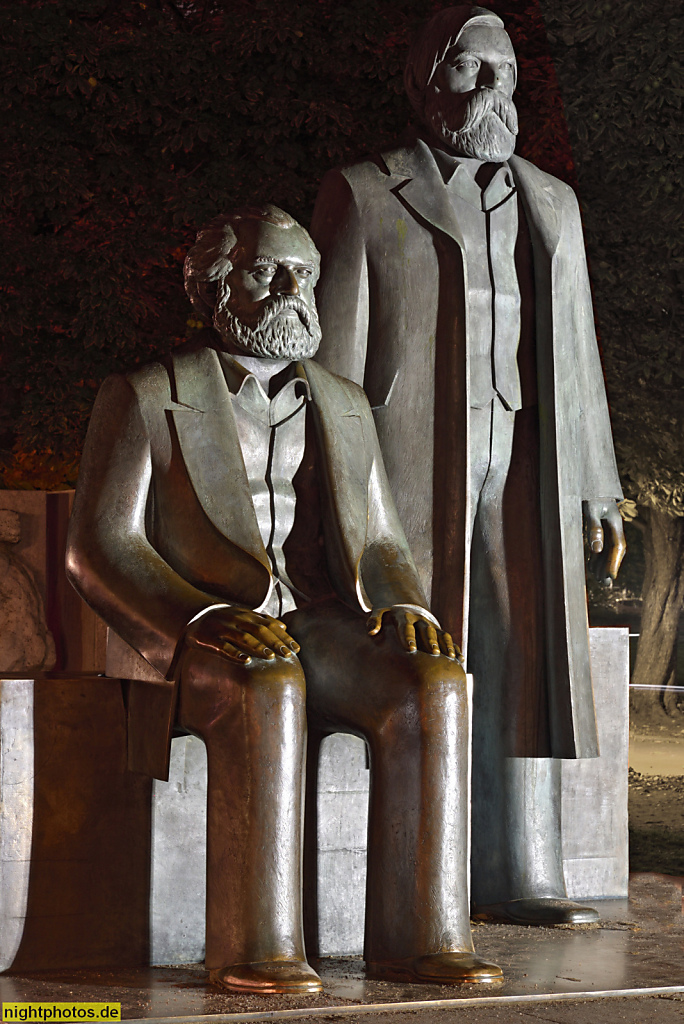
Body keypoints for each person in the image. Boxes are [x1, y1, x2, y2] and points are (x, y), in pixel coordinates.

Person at [66, 205, 502, 992]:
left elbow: (382, 542)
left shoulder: (341, 400)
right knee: (269, 685)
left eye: (304, 273)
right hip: (200, 628)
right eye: (269, 270)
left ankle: (422, 936)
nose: (292, 289)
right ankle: (256, 946)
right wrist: (200, 618)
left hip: (318, 619)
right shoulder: (145, 395)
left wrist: (407, 604)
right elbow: (99, 546)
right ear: (213, 285)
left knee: (432, 685)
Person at [310, 6, 626, 924]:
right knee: (432, 645)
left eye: (505, 73)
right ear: (423, 82)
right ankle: (428, 877)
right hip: (410, 460)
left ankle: (527, 868)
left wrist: (597, 479)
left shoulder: (550, 202)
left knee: (527, 651)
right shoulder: (366, 193)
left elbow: (574, 348)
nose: (493, 92)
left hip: (524, 458)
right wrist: (329, 486)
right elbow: (331, 366)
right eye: (469, 71)